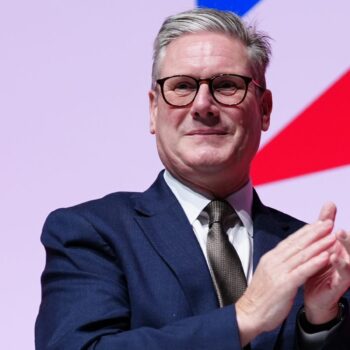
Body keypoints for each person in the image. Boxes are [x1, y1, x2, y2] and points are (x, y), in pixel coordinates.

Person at [35, 8, 350, 350]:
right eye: (182, 86)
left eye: (227, 85)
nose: (203, 105)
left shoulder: (313, 255)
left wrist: (321, 322)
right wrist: (242, 318)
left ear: (264, 109)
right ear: (154, 110)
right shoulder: (92, 232)